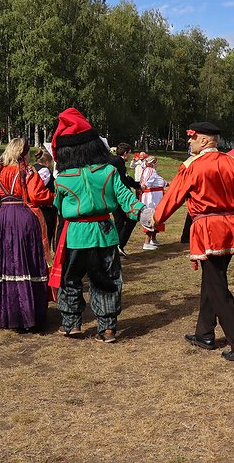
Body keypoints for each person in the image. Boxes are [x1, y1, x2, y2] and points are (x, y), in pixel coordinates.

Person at [152, 122, 234, 361]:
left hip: (209, 230)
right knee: (212, 279)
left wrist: (155, 219)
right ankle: (204, 333)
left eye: (191, 138)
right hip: (231, 227)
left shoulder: (192, 166)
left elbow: (174, 196)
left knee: (218, 287)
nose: (189, 142)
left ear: (203, 140)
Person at [49, 108, 153, 343]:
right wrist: (145, 214)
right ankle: (107, 328)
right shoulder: (108, 171)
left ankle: (71, 324)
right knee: (107, 280)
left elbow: (58, 205)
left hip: (75, 235)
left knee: (71, 279)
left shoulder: (63, 179)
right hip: (105, 234)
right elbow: (126, 200)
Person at [0, 138, 54, 330]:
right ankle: (29, 315)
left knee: (8, 261)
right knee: (27, 260)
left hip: (3, 218)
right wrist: (54, 198)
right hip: (23, 216)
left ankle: (9, 315)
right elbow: (37, 195)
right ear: (23, 152)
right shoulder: (26, 170)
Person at [110, 142, 140, 257]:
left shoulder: (117, 162)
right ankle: (117, 246)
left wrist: (136, 185)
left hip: (115, 196)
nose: (130, 156)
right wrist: (136, 185)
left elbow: (126, 177)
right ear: (126, 153)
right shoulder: (116, 162)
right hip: (118, 197)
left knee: (120, 222)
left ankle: (117, 247)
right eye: (130, 154)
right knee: (130, 219)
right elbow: (123, 179)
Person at [31, 147, 58, 249]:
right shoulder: (44, 171)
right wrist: (53, 197)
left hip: (36, 210)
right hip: (44, 211)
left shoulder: (32, 168)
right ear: (47, 160)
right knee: (44, 240)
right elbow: (37, 190)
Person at [139, 155, 167, 250]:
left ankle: (153, 239)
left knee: (157, 216)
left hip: (156, 196)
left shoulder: (151, 171)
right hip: (152, 197)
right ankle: (147, 242)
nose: (157, 164)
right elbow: (145, 183)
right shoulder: (150, 170)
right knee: (152, 216)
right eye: (155, 162)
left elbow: (160, 181)